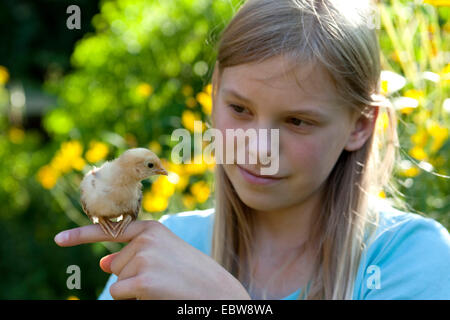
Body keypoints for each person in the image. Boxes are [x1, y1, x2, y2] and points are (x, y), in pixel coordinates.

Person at [54, 0, 450, 299]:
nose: (257, 149)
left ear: (360, 126)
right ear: (214, 97)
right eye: (240, 109)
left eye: (297, 121)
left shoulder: (408, 256)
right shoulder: (168, 247)